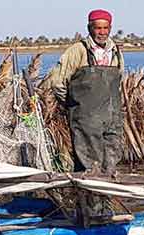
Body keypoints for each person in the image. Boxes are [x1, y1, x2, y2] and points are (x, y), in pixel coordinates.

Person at [43, 9, 125, 174]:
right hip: (85, 120)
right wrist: (74, 105)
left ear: (110, 28)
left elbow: (119, 81)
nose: (102, 32)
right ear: (90, 28)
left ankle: (105, 197)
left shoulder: (115, 51)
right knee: (88, 165)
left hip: (111, 119)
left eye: (105, 28)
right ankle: (88, 198)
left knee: (110, 163)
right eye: (98, 28)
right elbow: (57, 82)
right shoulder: (77, 50)